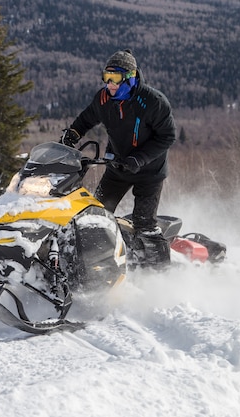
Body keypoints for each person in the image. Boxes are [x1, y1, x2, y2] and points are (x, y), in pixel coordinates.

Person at [61, 49, 176, 267]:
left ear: (131, 78)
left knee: (144, 224)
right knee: (95, 216)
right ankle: (97, 266)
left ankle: (161, 273)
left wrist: (139, 159)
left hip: (149, 172)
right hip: (118, 168)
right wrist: (72, 135)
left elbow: (168, 136)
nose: (110, 85)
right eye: (106, 78)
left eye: (115, 79)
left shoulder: (153, 101)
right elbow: (86, 119)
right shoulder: (104, 99)